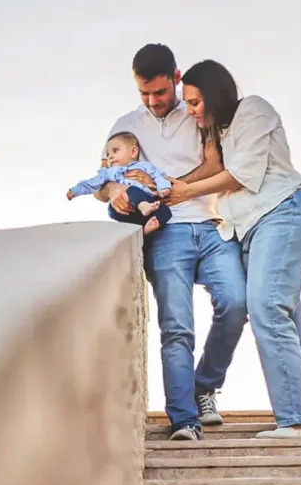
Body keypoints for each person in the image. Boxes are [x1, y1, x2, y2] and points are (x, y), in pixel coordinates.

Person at [96, 44, 248, 440]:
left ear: (176, 79)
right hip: (165, 233)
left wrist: (175, 187)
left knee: (237, 303)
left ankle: (204, 386)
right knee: (177, 327)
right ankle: (184, 420)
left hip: (213, 225)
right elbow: (103, 181)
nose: (153, 101)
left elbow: (216, 164)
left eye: (160, 92)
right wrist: (116, 191)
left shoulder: (198, 111)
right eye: (144, 93)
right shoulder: (126, 124)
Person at [168, 58, 301, 438]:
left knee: (267, 307)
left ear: (214, 94)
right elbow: (214, 167)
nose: (190, 110)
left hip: (282, 213)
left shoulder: (253, 109)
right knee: (286, 317)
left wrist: (186, 192)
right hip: (250, 230)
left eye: (194, 102)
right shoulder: (219, 132)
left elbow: (242, 175)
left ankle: (297, 422)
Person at [67, 132, 172, 234]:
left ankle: (147, 228)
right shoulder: (109, 172)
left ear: (133, 152)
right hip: (123, 208)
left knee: (166, 211)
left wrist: (163, 188)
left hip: (147, 203)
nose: (110, 157)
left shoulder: (145, 166)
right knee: (128, 192)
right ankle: (143, 209)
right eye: (108, 155)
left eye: (115, 151)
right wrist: (74, 191)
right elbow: (91, 183)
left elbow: (159, 176)